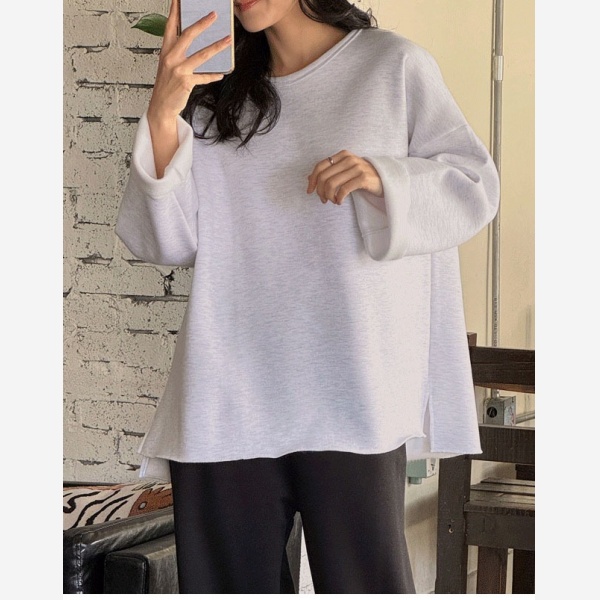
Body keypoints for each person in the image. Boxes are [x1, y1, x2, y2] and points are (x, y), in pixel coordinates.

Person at [115, 0, 500, 593]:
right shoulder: (216, 97)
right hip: (226, 395)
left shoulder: (391, 66)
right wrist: (164, 112)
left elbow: (474, 186)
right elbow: (164, 242)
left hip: (350, 392)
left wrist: (384, 177)